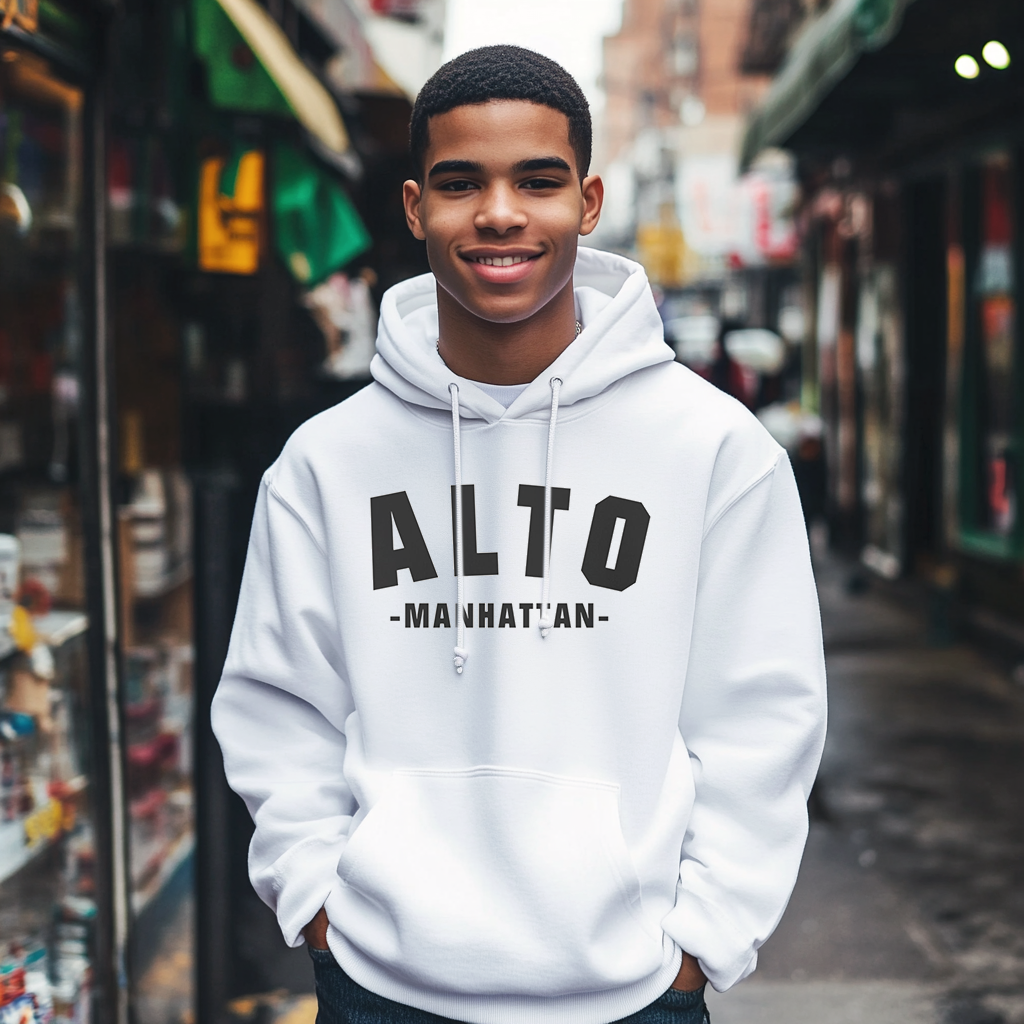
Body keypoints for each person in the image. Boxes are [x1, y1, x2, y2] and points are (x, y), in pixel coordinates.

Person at [212, 45, 827, 1024]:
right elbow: (278, 708)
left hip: (630, 992)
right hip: (380, 984)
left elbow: (762, 719)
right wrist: (316, 896)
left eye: (535, 181)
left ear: (586, 202)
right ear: (414, 209)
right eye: (461, 184)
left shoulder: (713, 448)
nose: (498, 213)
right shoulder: (326, 462)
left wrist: (700, 940)